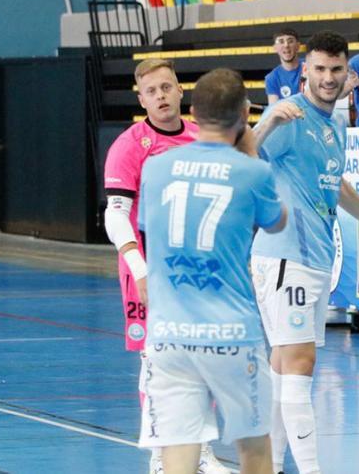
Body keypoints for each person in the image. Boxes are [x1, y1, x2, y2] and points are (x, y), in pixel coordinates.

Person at [250, 30, 359, 474]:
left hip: (312, 257)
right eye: (319, 69)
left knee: (285, 363)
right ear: (304, 69)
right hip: (287, 256)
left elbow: (335, 185)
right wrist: (266, 124)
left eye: (336, 70)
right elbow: (242, 154)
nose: (328, 77)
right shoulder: (289, 117)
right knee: (300, 362)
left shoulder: (334, 123)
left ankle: (271, 466)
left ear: (348, 72)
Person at [136, 68, 285, 474]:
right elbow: (277, 222)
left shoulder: (156, 168)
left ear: (193, 111)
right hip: (232, 335)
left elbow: (151, 228)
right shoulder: (254, 172)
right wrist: (250, 147)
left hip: (169, 337)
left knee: (178, 456)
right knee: (254, 450)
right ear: (244, 112)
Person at [103, 59, 221, 474]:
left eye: (167, 88)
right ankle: (160, 454)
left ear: (180, 91)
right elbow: (115, 214)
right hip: (149, 268)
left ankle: (200, 452)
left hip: (197, 267)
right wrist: (139, 268)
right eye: (152, 91)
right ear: (141, 99)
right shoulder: (130, 145)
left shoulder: (199, 138)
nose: (161, 96)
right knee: (156, 360)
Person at [265, 29, 302, 104]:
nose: (286, 45)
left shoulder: (310, 66)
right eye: (281, 42)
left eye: (290, 41)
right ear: (275, 48)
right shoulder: (271, 78)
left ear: (298, 46)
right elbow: (273, 108)